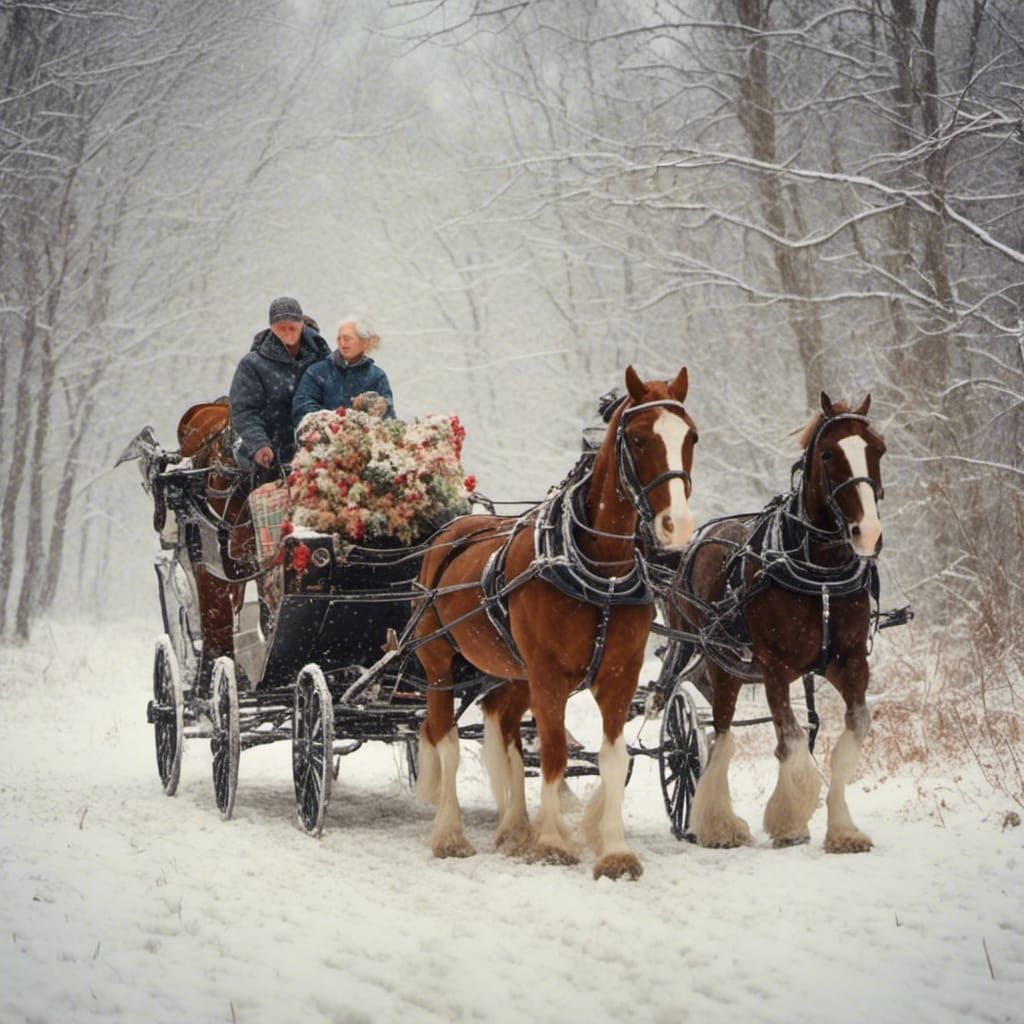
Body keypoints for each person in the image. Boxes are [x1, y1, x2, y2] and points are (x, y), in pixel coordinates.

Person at [229, 296, 330, 472]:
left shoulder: (322, 358)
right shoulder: (252, 364)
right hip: (273, 453)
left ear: (302, 324)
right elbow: (244, 411)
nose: (288, 332)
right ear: (271, 328)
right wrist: (260, 444)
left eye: (292, 327)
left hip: (318, 451)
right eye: (281, 328)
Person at [292, 316, 396, 428]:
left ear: (364, 343)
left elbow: (389, 419)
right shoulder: (317, 372)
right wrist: (337, 419)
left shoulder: (377, 376)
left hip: (363, 443)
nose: (342, 343)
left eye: (347, 339)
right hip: (322, 442)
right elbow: (302, 408)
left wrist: (374, 407)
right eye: (339, 339)